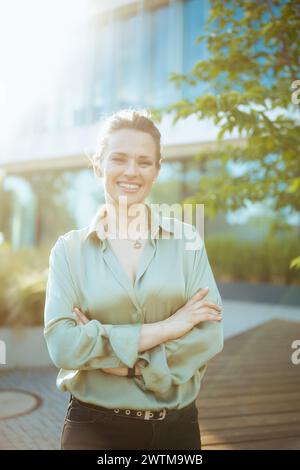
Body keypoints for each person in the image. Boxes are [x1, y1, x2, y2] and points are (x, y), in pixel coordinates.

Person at [44, 109, 223, 450]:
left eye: (144, 161)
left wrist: (125, 364)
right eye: (119, 159)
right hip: (94, 429)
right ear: (98, 165)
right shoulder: (69, 251)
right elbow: (63, 345)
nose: (131, 171)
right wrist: (170, 327)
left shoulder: (188, 242)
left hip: (178, 430)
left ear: (157, 170)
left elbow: (209, 336)